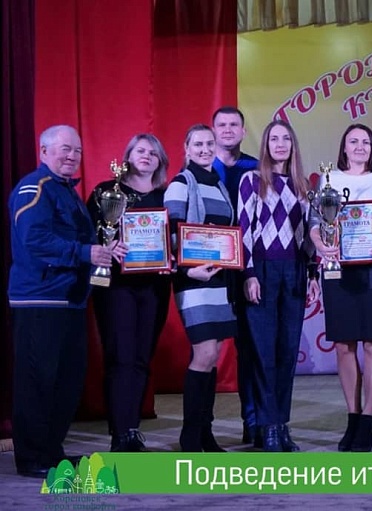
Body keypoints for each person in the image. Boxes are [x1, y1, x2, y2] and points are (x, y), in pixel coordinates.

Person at [8, 125, 125, 477]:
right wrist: (86, 252)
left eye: (77, 150)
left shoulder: (66, 191)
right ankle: (31, 457)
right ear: (44, 151)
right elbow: (34, 240)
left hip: (69, 300)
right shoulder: (36, 187)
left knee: (67, 381)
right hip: (40, 301)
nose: (72, 156)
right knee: (38, 381)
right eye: (65, 149)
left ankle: (51, 451)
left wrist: (103, 251)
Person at [309, 123, 372, 452]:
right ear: (344, 147)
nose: (360, 146)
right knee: (343, 346)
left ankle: (368, 420)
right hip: (338, 269)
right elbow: (315, 223)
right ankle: (352, 416)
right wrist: (320, 245)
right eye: (353, 141)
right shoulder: (329, 180)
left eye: (366, 141)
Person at [238, 120, 320, 452]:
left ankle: (281, 424)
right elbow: (243, 229)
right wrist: (249, 273)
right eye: (274, 138)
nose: (281, 144)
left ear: (293, 145)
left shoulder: (303, 186)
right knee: (263, 352)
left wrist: (313, 274)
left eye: (286, 139)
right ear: (266, 144)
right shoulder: (252, 180)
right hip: (262, 270)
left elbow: (311, 236)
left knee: (287, 352)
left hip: (294, 272)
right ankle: (267, 425)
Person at [87, 134, 172, 452]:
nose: (146, 156)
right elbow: (88, 232)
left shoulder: (168, 195)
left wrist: (173, 255)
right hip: (116, 286)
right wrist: (107, 246)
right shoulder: (106, 191)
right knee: (120, 356)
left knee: (141, 357)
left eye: (153, 152)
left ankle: (131, 428)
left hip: (155, 286)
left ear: (161, 161)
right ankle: (120, 433)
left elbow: (178, 236)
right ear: (128, 156)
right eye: (140, 150)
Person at [165, 124, 238, 452]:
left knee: (213, 356)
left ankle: (205, 433)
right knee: (205, 353)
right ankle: (190, 436)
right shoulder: (181, 183)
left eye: (210, 144)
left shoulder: (219, 184)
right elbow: (170, 233)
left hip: (218, 279)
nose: (205, 149)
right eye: (198, 144)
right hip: (192, 279)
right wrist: (186, 270)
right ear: (187, 148)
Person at [211, 106, 260, 446]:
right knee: (207, 350)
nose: (227, 130)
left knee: (250, 348)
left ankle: (252, 422)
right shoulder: (198, 168)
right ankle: (201, 427)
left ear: (243, 131)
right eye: (221, 124)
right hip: (210, 271)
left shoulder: (256, 168)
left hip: (247, 268)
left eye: (234, 125)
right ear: (213, 130)